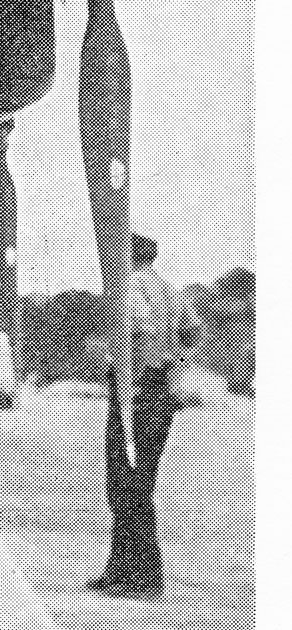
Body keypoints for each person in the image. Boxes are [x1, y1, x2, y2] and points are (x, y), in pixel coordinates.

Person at [88, 234, 202, 599]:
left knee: (125, 485)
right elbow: (192, 332)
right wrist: (176, 364)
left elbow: (136, 331)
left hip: (134, 390)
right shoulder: (172, 291)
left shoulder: (130, 289)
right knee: (138, 482)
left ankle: (144, 573)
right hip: (160, 391)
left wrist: (128, 366)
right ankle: (120, 567)